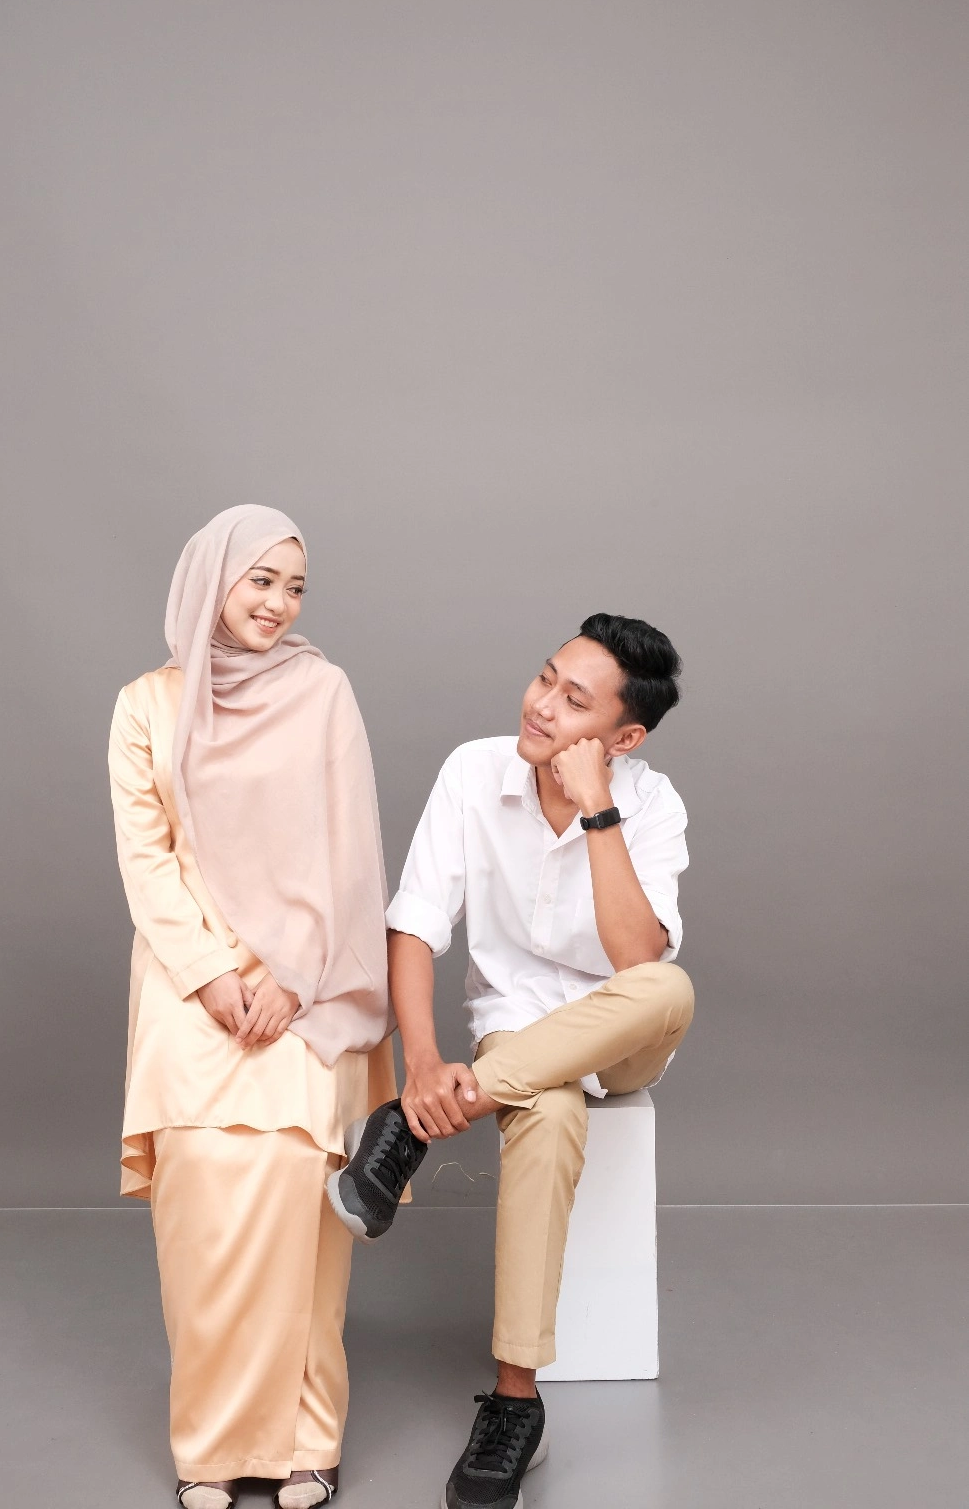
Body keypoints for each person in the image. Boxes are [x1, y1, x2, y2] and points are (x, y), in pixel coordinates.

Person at [327, 613, 694, 1509]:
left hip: (622, 1036)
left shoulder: (653, 804)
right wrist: (423, 1063)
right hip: (515, 1035)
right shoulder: (473, 771)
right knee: (551, 1112)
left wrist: (597, 807)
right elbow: (415, 924)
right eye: (545, 679)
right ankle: (515, 1402)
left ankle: (406, 1134)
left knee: (667, 987)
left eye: (576, 702)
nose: (542, 706)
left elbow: (634, 959)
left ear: (623, 738)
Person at [109, 505, 397, 1509]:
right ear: (212, 579)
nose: (278, 603)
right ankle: (210, 1445)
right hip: (191, 988)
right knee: (201, 1211)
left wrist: (293, 975)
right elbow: (146, 858)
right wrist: (210, 974)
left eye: (296, 587)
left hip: (304, 989)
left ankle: (308, 1439)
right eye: (260, 579)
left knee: (297, 1206)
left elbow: (348, 850)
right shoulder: (146, 706)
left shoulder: (323, 692)